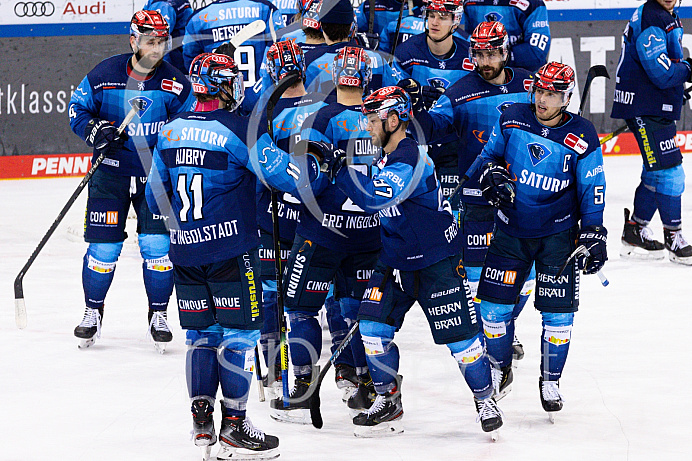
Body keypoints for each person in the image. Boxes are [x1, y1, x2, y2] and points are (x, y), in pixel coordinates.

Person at [145, 51, 322, 459]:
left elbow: (156, 201)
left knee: (200, 337)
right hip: (232, 251)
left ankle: (203, 424)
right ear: (225, 85)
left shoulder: (170, 131)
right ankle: (235, 428)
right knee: (239, 337)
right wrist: (317, 163)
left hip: (185, 254)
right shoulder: (240, 130)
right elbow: (287, 177)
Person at [322, 86, 503, 437]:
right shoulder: (382, 154)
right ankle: (389, 399)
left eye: (373, 120)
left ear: (394, 120)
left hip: (437, 263)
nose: (367, 126)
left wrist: (339, 170)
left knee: (463, 343)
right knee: (373, 332)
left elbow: (374, 197)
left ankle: (485, 398)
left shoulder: (411, 159)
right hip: (395, 260)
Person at [475, 62, 607, 418]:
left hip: (558, 238)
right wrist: (492, 175)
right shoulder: (512, 117)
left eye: (551, 94)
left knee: (559, 317)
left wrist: (594, 233)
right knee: (491, 312)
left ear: (566, 97)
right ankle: (499, 369)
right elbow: (487, 159)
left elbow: (593, 188)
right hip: (510, 233)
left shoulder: (582, 135)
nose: (542, 100)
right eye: (539, 91)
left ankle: (551, 379)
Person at [413, 20, 535, 393]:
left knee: (526, 280)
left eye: (491, 53)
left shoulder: (529, 85)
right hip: (477, 198)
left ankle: (502, 329)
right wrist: (414, 113)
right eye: (478, 53)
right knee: (481, 282)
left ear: (504, 51)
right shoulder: (460, 90)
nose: (485, 60)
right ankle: (494, 338)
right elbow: (432, 127)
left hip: (525, 199)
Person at [68, 10, 195, 350]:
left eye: (161, 42)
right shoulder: (105, 74)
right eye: (150, 41)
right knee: (104, 249)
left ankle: (158, 313)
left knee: (157, 249)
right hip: (109, 173)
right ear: (133, 40)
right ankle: (92, 311)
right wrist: (97, 130)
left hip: (155, 178)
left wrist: (171, 144)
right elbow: (77, 109)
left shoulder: (176, 83)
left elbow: (188, 126)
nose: (157, 48)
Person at [269, 45, 382, 422]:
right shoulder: (384, 116)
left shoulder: (317, 116)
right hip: (368, 235)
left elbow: (305, 180)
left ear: (333, 76)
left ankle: (301, 387)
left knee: (300, 308)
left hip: (322, 231)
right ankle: (363, 382)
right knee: (353, 310)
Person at [259, 39, 344, 397]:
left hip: (274, 218)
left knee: (272, 297)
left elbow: (259, 168)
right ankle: (347, 373)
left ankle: (279, 376)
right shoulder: (329, 109)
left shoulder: (262, 114)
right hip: (318, 222)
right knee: (331, 299)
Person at [611, 0, 692, 265]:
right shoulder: (652, 18)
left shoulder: (663, 13)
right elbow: (662, 73)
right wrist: (689, 69)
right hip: (644, 106)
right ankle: (674, 237)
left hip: (652, 103)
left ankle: (635, 229)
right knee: (670, 171)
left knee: (655, 171)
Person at [182, 0, 284, 113]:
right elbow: (280, 56)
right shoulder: (265, 8)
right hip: (260, 99)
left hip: (222, 100)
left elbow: (193, 66)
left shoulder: (197, 19)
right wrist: (254, 94)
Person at [303, 0, 402, 97]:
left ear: (321, 26)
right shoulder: (379, 59)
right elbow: (394, 94)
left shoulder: (310, 61)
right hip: (371, 113)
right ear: (352, 25)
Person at [463, 0, 550, 72]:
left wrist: (497, 58)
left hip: (525, 74)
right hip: (486, 72)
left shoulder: (533, 3)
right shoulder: (469, 3)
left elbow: (536, 52)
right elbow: (469, 43)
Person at [143, 0, 194, 73]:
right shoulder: (164, 5)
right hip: (172, 66)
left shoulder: (171, 4)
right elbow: (158, 40)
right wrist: (163, 72)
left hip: (178, 63)